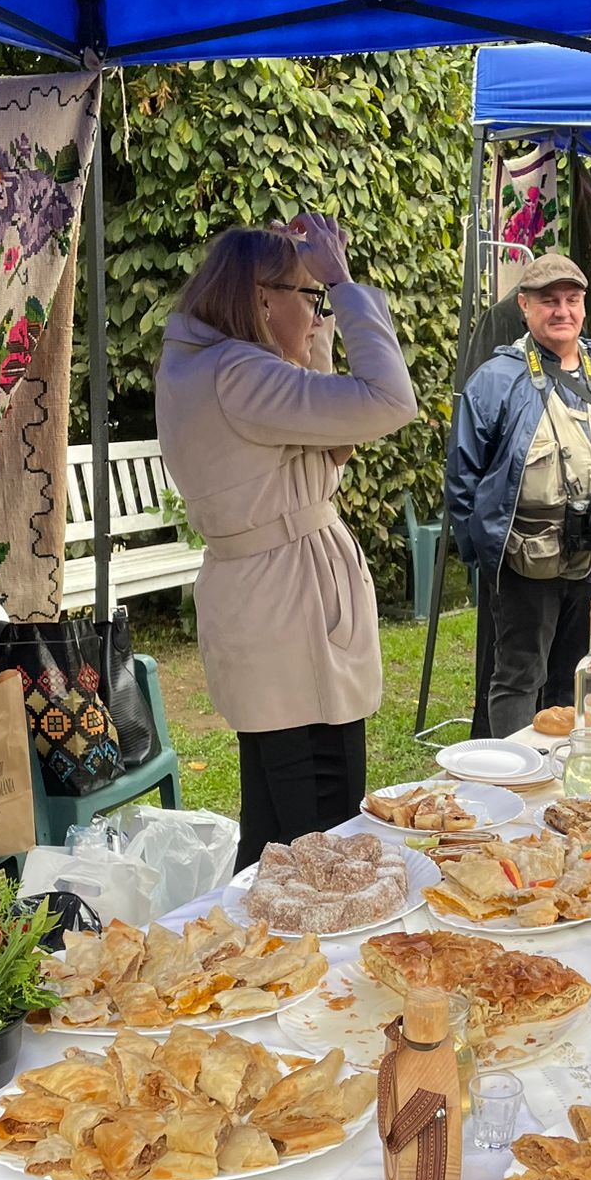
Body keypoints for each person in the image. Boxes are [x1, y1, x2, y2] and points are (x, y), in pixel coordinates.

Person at [156, 215, 418, 870]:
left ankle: (265, 956)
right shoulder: (240, 374)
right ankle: (309, 959)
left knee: (275, 825)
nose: (318, 311)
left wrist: (315, 324)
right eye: (310, 298)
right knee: (317, 821)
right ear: (263, 297)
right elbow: (390, 399)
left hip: (271, 597)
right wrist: (344, 280)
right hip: (285, 605)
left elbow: (333, 440)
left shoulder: (212, 367)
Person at [446, 253, 591, 737]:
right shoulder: (495, 380)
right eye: (549, 301)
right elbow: (462, 476)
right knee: (517, 675)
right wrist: (484, 550)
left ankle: (566, 781)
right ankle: (512, 774)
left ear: (584, 308)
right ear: (525, 307)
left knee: (578, 675)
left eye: (572, 300)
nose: (562, 311)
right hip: (526, 558)